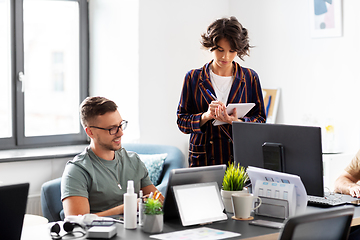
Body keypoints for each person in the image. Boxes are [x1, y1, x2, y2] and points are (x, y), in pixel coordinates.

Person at [177, 16, 266, 167]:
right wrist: (205, 116)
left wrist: (236, 122)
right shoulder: (193, 77)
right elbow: (182, 122)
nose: (226, 56)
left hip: (238, 158)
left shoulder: (250, 78)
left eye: (232, 51)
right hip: (204, 159)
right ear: (211, 45)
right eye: (220, 50)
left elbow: (261, 120)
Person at [61, 96, 162, 217]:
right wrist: (127, 207)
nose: (120, 133)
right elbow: (77, 222)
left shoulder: (133, 160)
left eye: (120, 125)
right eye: (112, 129)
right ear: (90, 132)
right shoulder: (77, 170)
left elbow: (158, 200)